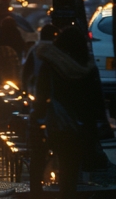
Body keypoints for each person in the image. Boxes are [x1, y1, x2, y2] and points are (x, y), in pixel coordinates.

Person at [29, 26, 107, 198]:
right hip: (76, 130)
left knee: (37, 167)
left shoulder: (50, 65)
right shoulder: (88, 68)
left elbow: (41, 96)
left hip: (51, 125)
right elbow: (96, 102)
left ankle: (36, 194)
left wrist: (35, 120)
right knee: (69, 175)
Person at [21, 23, 59, 96]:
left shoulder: (34, 50)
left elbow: (27, 71)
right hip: (56, 88)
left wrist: (24, 88)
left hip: (37, 86)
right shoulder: (58, 50)